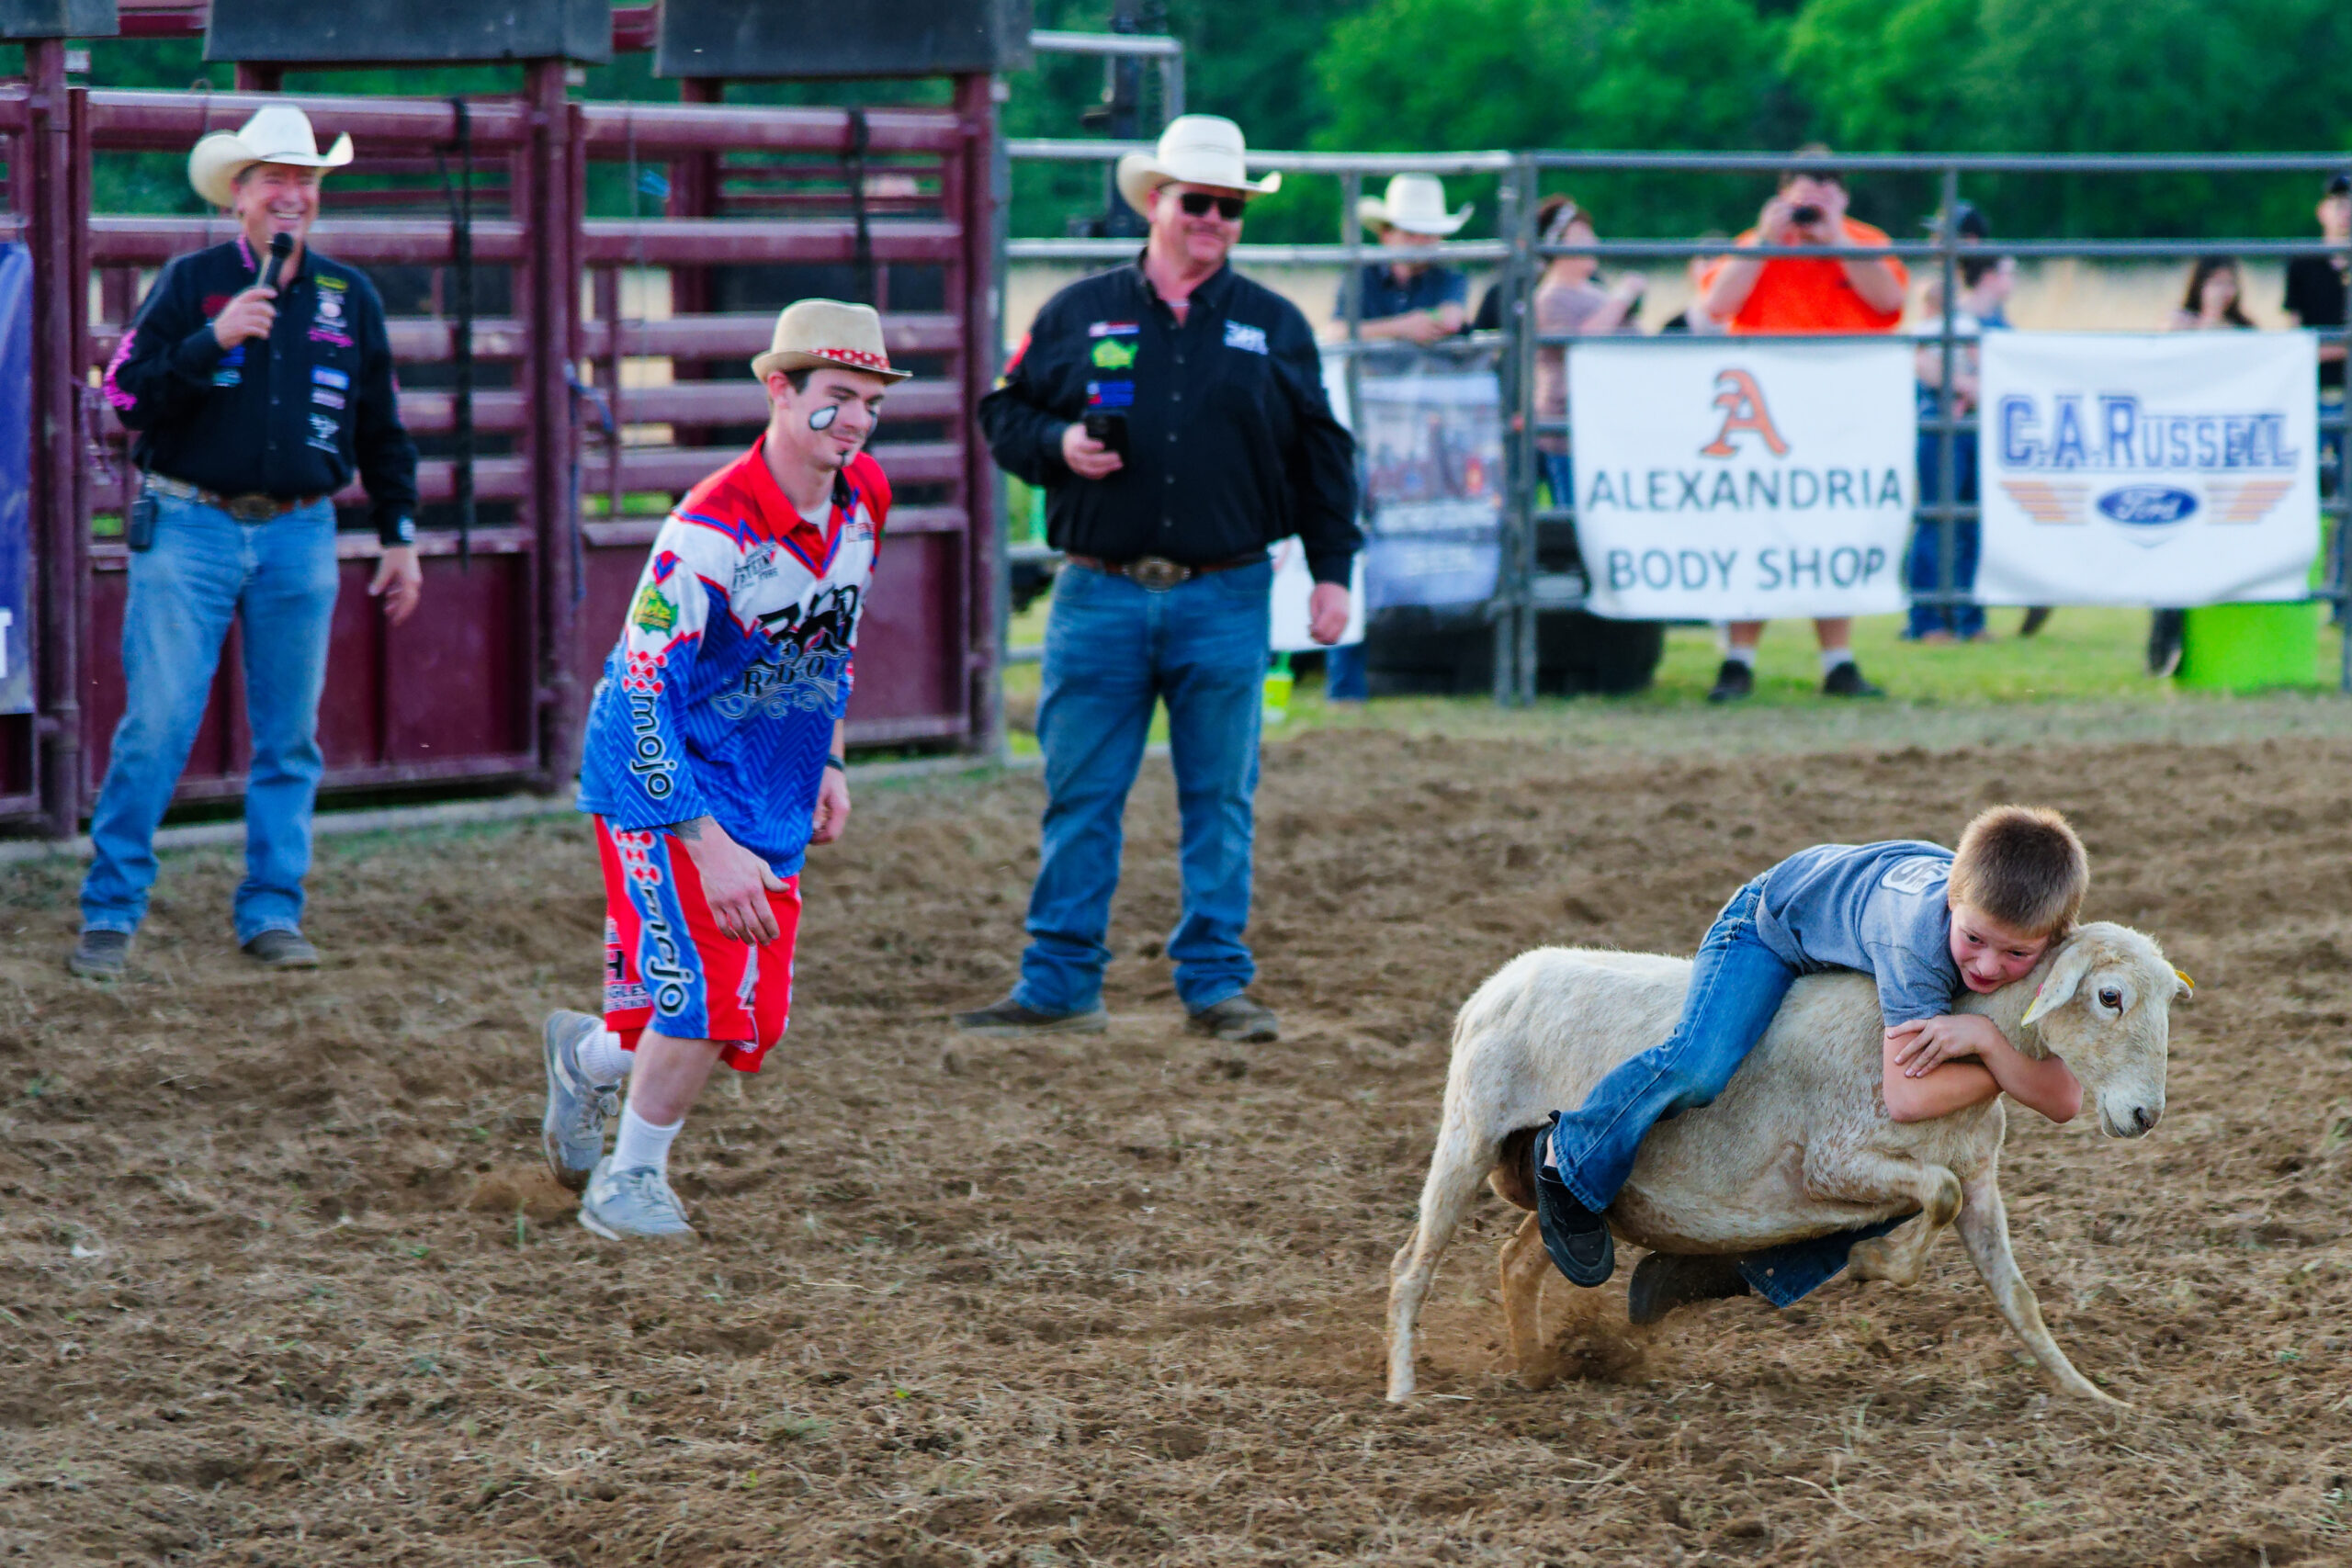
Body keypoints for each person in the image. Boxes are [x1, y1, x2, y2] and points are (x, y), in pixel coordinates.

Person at [955, 115, 1360, 1045]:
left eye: (1231, 207)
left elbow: (1321, 458)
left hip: (1226, 590)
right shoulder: (1073, 313)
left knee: (1219, 793)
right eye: (1199, 201)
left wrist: (1331, 575)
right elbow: (1003, 412)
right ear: (1157, 204)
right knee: (1080, 791)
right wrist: (1055, 443)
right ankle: (1059, 983)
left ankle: (1215, 983)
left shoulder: (1273, 324)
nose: (1215, 219)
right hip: (1097, 590)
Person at [537, 299, 900, 1241]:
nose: (855, 420)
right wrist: (702, 840)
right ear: (779, 391)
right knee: (702, 996)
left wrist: (830, 758)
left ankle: (586, 1057)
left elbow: (830, 642)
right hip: (661, 781)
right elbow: (636, 696)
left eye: (869, 401)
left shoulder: (865, 500)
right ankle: (627, 1184)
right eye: (837, 396)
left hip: (769, 777)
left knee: (749, 1012)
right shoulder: (710, 528)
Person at [71, 105, 421, 981]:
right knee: (157, 724)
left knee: (288, 733)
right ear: (240, 197)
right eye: (276, 180)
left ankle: (272, 906)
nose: (293, 195)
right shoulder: (191, 284)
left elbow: (381, 426)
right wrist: (209, 342)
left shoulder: (349, 297)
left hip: (302, 529)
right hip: (188, 521)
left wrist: (399, 532)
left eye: (306, 181)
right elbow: (121, 396)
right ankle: (110, 908)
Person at [1527, 807, 2091, 1320]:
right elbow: (1908, 1098)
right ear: (1951, 900)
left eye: (2017, 954)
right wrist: (1997, 1050)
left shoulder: (2001, 932)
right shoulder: (1914, 948)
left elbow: (2065, 1099)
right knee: (1701, 1065)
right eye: (1974, 939)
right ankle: (1569, 1159)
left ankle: (1732, 1266)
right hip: (1767, 926)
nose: (1989, 968)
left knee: (1910, 1166)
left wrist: (1988, 1042)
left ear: (2052, 941)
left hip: (1844, 932)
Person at [1699, 145, 1909, 702]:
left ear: (1842, 196)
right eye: (1802, 199)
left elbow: (1889, 301)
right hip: (1765, 417)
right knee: (1753, 530)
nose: (1811, 209)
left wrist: (1835, 239)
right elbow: (1718, 304)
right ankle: (1738, 660)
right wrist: (1770, 242)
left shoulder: (1867, 242)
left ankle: (1838, 661)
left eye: (1824, 194)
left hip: (1843, 414)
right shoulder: (1758, 243)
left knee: (1835, 530)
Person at [1905, 203, 2014, 643]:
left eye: (1942, 237)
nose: (1934, 246)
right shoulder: (1940, 298)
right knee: (1937, 516)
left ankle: (1968, 618)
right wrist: (1967, 385)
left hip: (1972, 421)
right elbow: (1918, 359)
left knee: (1971, 519)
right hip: (1942, 417)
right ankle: (1927, 619)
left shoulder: (1973, 301)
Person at [2148, 256, 2257, 675]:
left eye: (2230, 283)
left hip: (2227, 460)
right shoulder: (2176, 322)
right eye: (2215, 282)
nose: (2223, 291)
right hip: (2180, 453)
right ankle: (2163, 645)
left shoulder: (2245, 330)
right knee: (2171, 545)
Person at [1531, 195, 1645, 516]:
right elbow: (1583, 343)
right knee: (1575, 521)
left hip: (1608, 425)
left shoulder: (1597, 294)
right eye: (1580, 238)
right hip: (1569, 435)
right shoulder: (1550, 298)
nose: (1592, 243)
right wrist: (1623, 297)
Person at [1345, 173, 1473, 345]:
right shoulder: (1362, 276)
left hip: (1427, 371)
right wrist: (1402, 327)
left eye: (1428, 234)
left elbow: (1451, 318)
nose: (1420, 242)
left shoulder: (1450, 274)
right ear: (1386, 234)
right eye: (1410, 233)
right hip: (1378, 371)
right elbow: (1335, 331)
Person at [2284, 174, 2348, 507]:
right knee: (2313, 489)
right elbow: (2294, 341)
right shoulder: (2303, 264)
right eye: (2339, 204)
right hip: (2316, 392)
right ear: (2322, 211)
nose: (2346, 212)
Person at [1657, 232, 1733, 334]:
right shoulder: (1673, 327)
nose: (1714, 265)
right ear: (1691, 268)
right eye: (1707, 257)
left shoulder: (1747, 328)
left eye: (1722, 259)